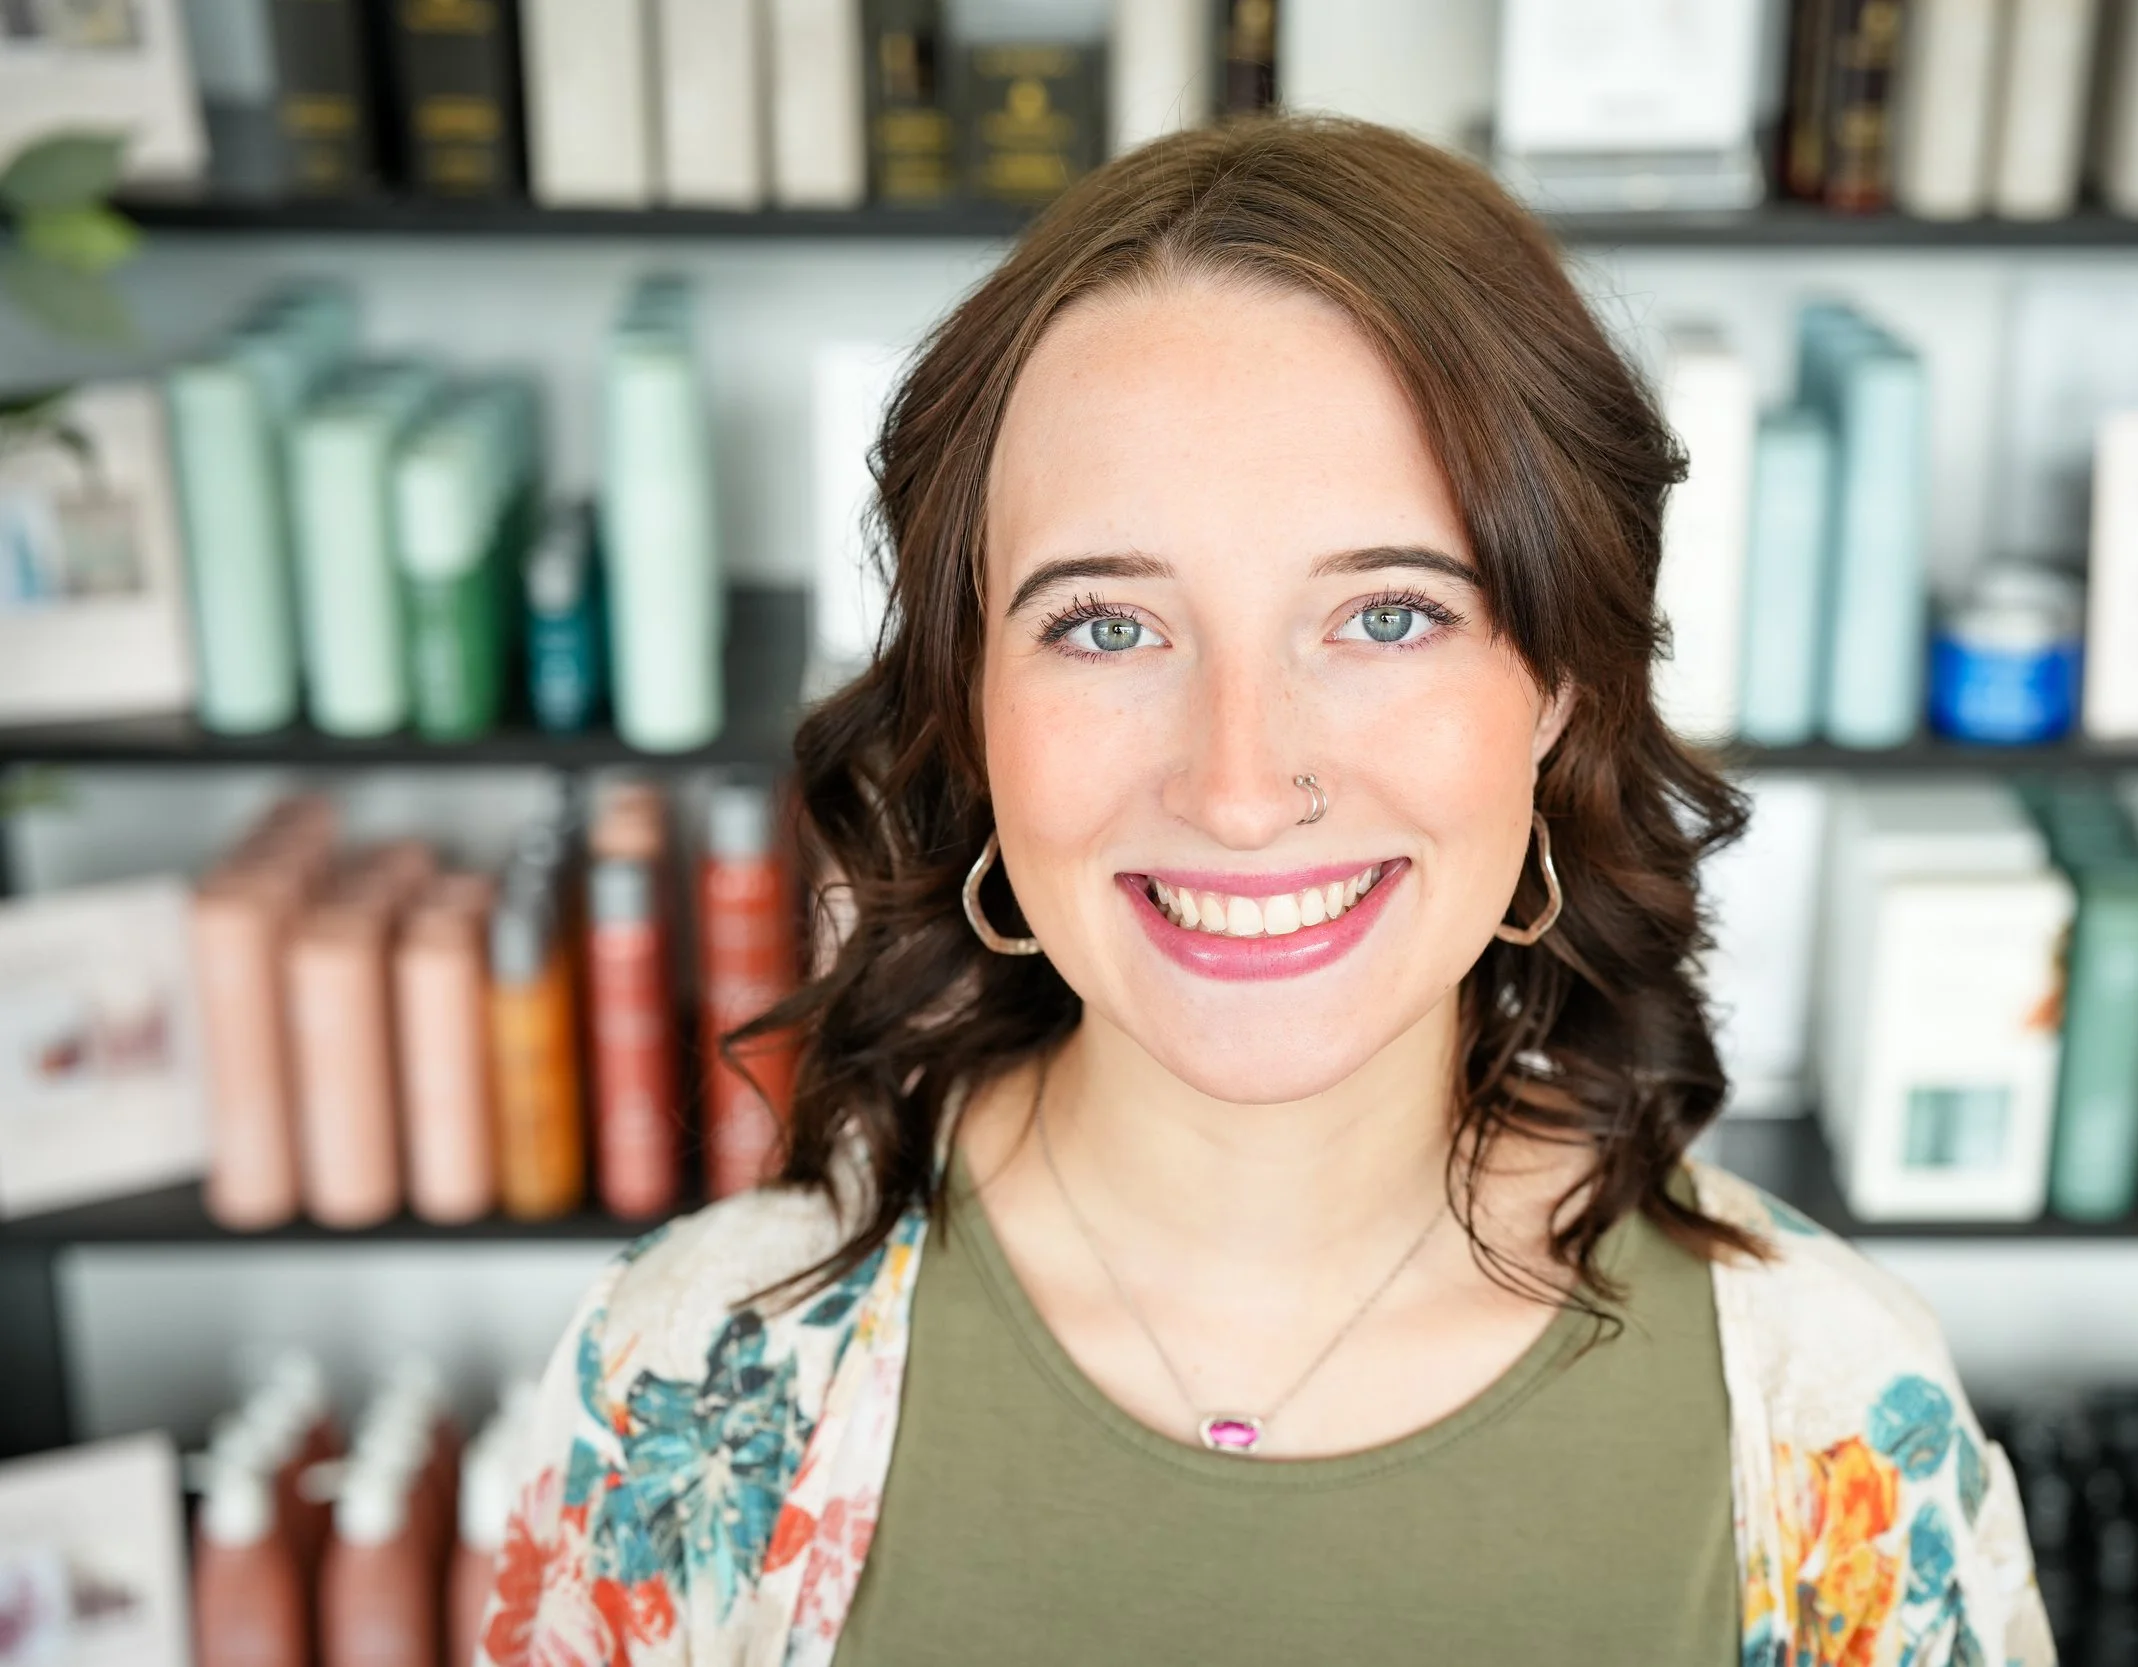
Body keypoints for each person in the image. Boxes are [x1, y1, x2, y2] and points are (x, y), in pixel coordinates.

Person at [477, 116, 2053, 1666]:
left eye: (1385, 616)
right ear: (968, 701)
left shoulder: (1841, 1423)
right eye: (1105, 625)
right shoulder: (683, 1379)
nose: (1239, 787)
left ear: (1564, 684)